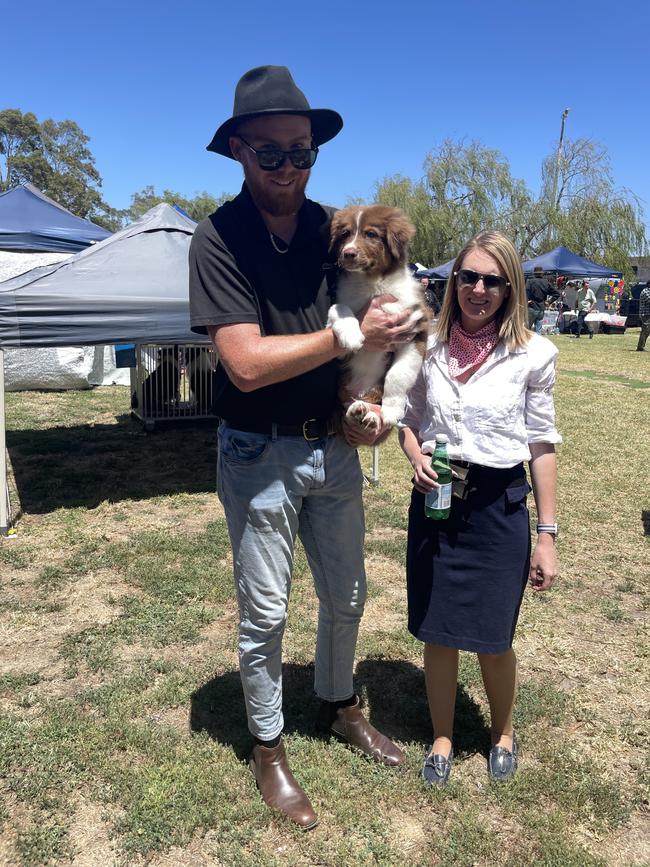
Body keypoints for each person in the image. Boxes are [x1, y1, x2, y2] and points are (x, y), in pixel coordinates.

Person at [188, 66, 411, 829]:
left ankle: (340, 703)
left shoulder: (329, 230)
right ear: (240, 152)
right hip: (257, 451)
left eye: (302, 152)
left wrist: (369, 401)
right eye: (272, 153)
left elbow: (370, 344)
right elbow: (246, 364)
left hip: (334, 450)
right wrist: (348, 335)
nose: (289, 167)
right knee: (266, 610)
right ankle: (268, 746)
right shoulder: (218, 238)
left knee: (348, 593)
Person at [399, 230, 561, 786]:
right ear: (453, 283)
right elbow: (410, 419)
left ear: (511, 287)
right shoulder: (428, 348)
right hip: (437, 504)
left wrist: (547, 534)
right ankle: (442, 736)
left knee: (495, 636)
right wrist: (414, 453)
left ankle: (503, 731)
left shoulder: (533, 354)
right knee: (438, 631)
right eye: (469, 277)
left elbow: (541, 444)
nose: (479, 289)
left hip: (499, 509)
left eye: (494, 280)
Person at [525, 265, 558, 333]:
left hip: (532, 307)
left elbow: (525, 292)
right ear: (542, 273)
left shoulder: (530, 281)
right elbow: (556, 293)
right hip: (541, 308)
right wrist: (549, 302)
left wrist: (526, 301)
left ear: (534, 274)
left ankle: (527, 343)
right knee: (538, 330)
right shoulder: (546, 282)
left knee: (527, 329)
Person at [636, 280, 650, 351]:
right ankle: (640, 347)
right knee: (645, 331)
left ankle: (641, 346)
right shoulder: (645, 292)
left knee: (647, 331)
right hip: (646, 315)